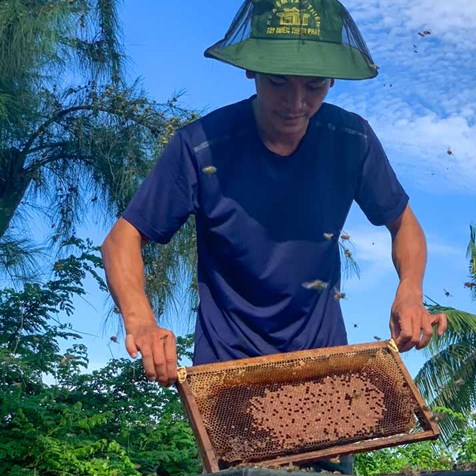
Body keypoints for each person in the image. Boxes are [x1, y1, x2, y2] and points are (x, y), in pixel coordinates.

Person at [101, 0, 447, 403]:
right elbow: (121, 239)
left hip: (324, 367)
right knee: (240, 470)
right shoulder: (201, 147)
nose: (296, 102)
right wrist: (140, 319)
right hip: (228, 372)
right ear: (252, 69)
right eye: (279, 82)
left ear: (332, 81)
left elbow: (403, 223)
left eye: (314, 84)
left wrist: (410, 289)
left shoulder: (352, 140)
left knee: (324, 464)